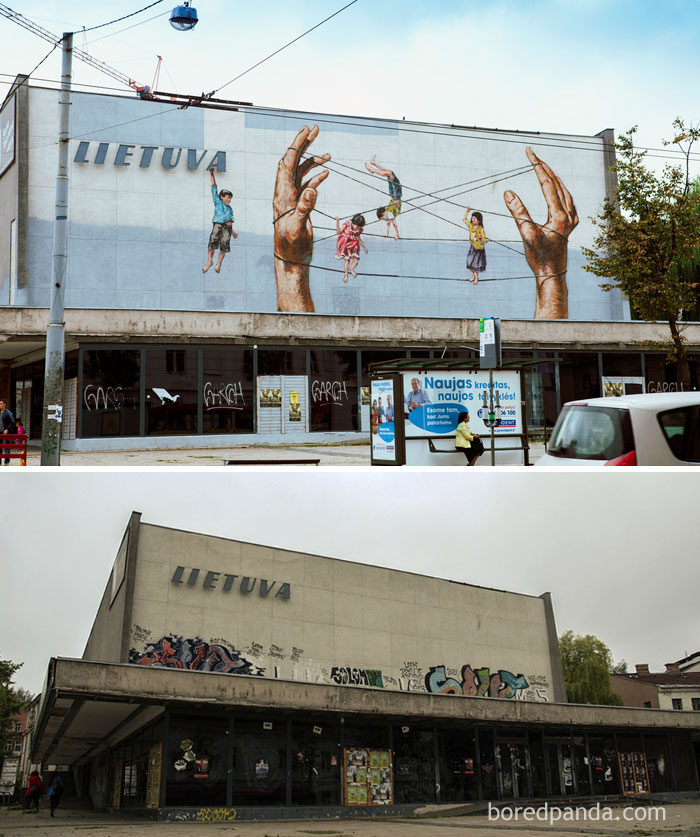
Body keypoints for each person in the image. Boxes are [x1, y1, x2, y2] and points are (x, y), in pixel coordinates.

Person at [203, 167, 238, 274]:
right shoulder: (218, 202)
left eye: (230, 198)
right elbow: (214, 187)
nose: (229, 200)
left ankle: (219, 264)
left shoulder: (230, 209)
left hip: (227, 228)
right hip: (217, 225)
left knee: (224, 247)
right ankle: (210, 261)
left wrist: (233, 232)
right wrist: (212, 174)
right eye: (227, 197)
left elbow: (230, 221)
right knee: (212, 243)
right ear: (222, 197)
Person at [365, 156, 402, 238]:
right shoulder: (388, 215)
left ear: (383, 214)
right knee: (390, 173)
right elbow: (389, 224)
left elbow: (394, 224)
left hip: (395, 195)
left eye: (382, 218)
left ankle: (373, 169)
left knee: (390, 174)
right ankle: (373, 165)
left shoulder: (388, 214)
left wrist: (397, 235)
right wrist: (387, 234)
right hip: (395, 195)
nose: (384, 220)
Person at [335, 214, 368, 281]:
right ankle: (346, 275)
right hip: (346, 244)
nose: (358, 228)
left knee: (356, 262)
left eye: (359, 227)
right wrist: (337, 222)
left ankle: (352, 269)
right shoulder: (347, 225)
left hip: (354, 245)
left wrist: (364, 247)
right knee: (347, 261)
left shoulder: (359, 229)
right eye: (357, 226)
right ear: (353, 223)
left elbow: (359, 239)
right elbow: (339, 232)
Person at [464, 207, 487, 284]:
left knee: (475, 265)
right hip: (472, 247)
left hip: (479, 249)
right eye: (472, 218)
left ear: (479, 220)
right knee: (469, 263)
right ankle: (473, 276)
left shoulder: (480, 228)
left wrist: (481, 238)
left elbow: (485, 240)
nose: (473, 220)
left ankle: (476, 278)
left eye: (475, 218)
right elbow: (464, 219)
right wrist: (467, 211)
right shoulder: (471, 226)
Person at [0, 398, 17, 466]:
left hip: (5, 431)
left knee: (6, 446)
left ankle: (6, 460)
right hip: (0, 431)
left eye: (1, 403)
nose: (0, 405)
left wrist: (7, 429)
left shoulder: (7, 412)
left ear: (4, 404)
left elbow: (12, 422)